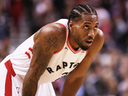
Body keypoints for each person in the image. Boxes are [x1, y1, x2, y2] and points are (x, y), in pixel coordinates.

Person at [0, 4, 104, 96]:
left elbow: (76, 77)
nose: (91, 33)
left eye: (95, 27)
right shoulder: (53, 34)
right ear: (71, 26)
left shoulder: (97, 39)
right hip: (14, 75)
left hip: (40, 81)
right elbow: (32, 75)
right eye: (86, 26)